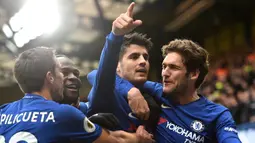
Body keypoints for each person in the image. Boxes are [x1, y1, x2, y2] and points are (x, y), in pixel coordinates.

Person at [0, 2, 154, 142]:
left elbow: (98, 77)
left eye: (75, 73)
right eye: (63, 73)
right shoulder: (65, 114)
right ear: (50, 77)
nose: (73, 78)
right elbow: (101, 76)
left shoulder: (4, 112)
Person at [103, 39, 242, 142]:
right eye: (164, 67)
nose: (164, 73)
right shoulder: (158, 92)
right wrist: (131, 91)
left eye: (173, 68)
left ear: (193, 74)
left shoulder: (218, 115)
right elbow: (99, 76)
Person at [87, 32, 160, 132]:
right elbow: (99, 71)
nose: (143, 61)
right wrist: (116, 34)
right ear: (116, 66)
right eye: (134, 57)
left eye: (146, 57)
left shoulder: (152, 99)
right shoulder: (106, 92)